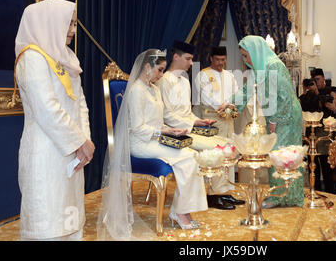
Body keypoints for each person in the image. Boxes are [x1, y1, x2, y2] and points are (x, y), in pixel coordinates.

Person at [98, 50, 207, 240]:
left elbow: (157, 121)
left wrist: (171, 130)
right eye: (159, 70)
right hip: (140, 144)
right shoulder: (135, 91)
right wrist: (164, 132)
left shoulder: (155, 89)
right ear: (147, 67)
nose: (161, 75)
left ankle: (181, 210)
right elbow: (139, 128)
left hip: (155, 139)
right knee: (187, 157)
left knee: (191, 155)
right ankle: (181, 213)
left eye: (163, 70)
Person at [14, 0, 94, 241]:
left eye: (73, 24)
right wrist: (79, 142)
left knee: (70, 218)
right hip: (46, 152)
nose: (72, 30)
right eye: (68, 24)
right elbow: (46, 108)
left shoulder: (67, 57)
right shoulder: (31, 58)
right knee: (47, 222)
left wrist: (85, 142)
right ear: (49, 22)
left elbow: (80, 102)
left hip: (72, 151)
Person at [157, 40, 242, 210]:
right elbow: (167, 115)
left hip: (189, 127)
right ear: (176, 57)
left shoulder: (184, 81)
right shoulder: (164, 81)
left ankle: (221, 192)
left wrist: (198, 120)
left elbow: (187, 112)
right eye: (188, 59)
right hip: (175, 132)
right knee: (218, 147)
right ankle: (213, 195)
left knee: (228, 144)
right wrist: (191, 124)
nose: (191, 63)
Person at [231, 35, 304, 208]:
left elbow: (285, 96)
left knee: (282, 154)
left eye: (246, 55)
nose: (245, 59)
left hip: (287, 114)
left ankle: (283, 197)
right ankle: (283, 195)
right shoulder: (261, 67)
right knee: (280, 154)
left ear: (255, 51)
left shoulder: (274, 65)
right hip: (278, 114)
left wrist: (275, 120)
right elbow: (248, 89)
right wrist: (231, 104)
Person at [193, 46, 242, 203]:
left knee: (229, 152)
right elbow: (206, 97)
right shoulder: (203, 75)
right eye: (217, 60)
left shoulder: (230, 76)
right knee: (216, 154)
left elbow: (236, 94)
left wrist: (231, 105)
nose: (220, 63)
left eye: (223, 59)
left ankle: (227, 190)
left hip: (228, 120)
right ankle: (214, 193)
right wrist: (222, 106)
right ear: (211, 58)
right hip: (212, 120)